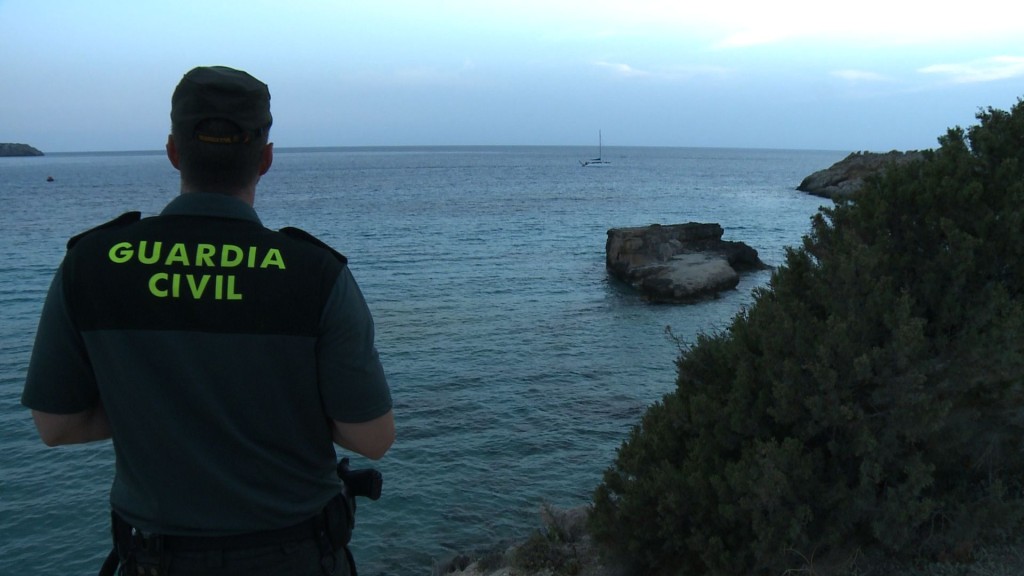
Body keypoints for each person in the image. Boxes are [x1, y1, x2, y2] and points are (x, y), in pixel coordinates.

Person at [21, 65, 395, 576]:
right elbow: (373, 438)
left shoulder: (90, 263)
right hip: (296, 556)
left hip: (152, 559)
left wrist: (158, 410)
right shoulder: (315, 273)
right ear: (265, 159)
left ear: (174, 151)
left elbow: (55, 424)